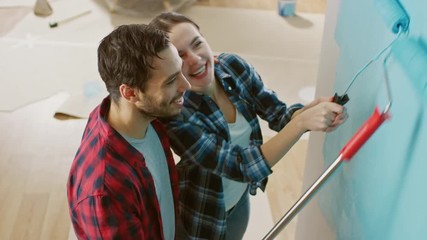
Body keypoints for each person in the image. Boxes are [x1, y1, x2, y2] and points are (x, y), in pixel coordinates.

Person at [150, 12, 348, 240]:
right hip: (200, 214)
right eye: (180, 55)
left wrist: (309, 110)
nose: (195, 59)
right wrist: (302, 123)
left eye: (197, 44)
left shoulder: (233, 67)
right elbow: (240, 166)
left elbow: (278, 114)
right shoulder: (175, 113)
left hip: (238, 204)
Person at [66, 24, 191, 239]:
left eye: (179, 70)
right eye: (171, 81)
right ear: (131, 93)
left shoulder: (139, 115)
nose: (186, 85)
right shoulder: (106, 193)